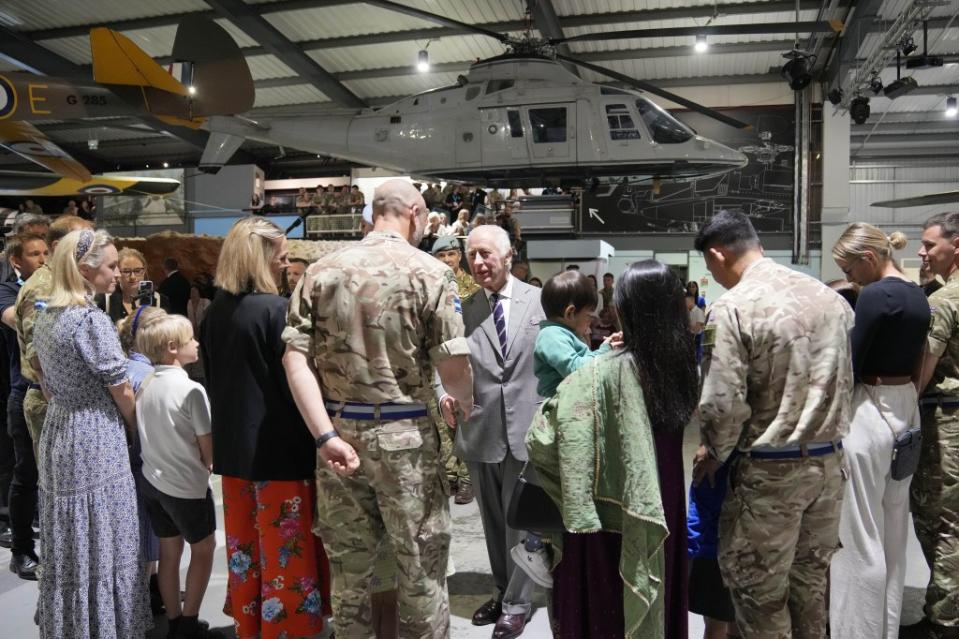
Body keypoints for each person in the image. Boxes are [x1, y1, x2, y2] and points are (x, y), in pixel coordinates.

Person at [283, 179, 473, 638]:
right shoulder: (431, 272)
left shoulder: (320, 271)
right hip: (408, 440)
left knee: (350, 577)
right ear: (416, 212)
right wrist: (462, 406)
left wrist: (325, 435)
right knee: (421, 571)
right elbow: (453, 366)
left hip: (339, 441)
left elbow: (295, 358)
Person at [692, 211, 854, 637]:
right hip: (829, 469)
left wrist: (713, 451)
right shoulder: (828, 298)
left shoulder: (733, 308)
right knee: (810, 590)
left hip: (769, 475)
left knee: (759, 595)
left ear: (717, 254)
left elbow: (722, 403)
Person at [526, 260, 699, 639]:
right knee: (659, 578)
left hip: (609, 507)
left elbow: (544, 437)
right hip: (663, 497)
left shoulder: (603, 372)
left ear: (631, 310)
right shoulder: (681, 365)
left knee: (607, 602)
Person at [200, 217, 330, 639]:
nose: (285, 265)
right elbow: (296, 384)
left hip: (235, 456)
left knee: (244, 552)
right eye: (281, 257)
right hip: (280, 453)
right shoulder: (277, 312)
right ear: (260, 258)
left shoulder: (214, 311)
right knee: (286, 556)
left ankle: (249, 627)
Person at [33, 229, 151, 638]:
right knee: (104, 530)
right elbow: (120, 387)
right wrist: (136, 427)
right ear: (85, 270)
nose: (119, 274)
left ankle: (74, 625)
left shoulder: (45, 314)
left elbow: (44, 380)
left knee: (71, 532)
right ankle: (104, 627)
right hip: (94, 435)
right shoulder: (89, 319)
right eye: (113, 266)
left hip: (60, 431)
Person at [438, 224, 545, 638]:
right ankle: (503, 592)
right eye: (472, 256)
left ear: (508, 255)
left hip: (528, 429)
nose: (479, 263)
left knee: (522, 522)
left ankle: (518, 604)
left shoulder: (540, 302)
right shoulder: (463, 309)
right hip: (480, 429)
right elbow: (444, 362)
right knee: (494, 522)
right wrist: (446, 394)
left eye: (486, 254)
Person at [829, 223, 929, 639]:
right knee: (893, 533)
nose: (850, 279)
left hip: (870, 412)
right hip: (907, 408)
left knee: (859, 536)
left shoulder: (874, 295)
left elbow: (850, 364)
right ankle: (885, 629)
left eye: (850, 269)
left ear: (868, 259)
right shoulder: (918, 294)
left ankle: (857, 632)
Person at [136, 313, 218, 639]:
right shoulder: (191, 390)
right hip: (186, 486)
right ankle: (189, 622)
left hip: (153, 482)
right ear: (173, 347)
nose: (196, 343)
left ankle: (174, 622)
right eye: (191, 339)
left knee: (169, 552)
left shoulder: (145, 385)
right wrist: (210, 464)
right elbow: (207, 446)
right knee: (204, 547)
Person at [914, 211, 959, 637]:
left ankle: (944, 620)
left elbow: (923, 368)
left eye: (930, 245)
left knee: (939, 520)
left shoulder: (943, 302)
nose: (923, 252)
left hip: (947, 421)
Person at [14, 216, 92, 457]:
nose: (92, 246)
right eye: (84, 239)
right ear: (59, 247)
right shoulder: (44, 286)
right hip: (51, 401)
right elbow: (37, 353)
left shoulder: (62, 281)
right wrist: (59, 403)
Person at [0, 233, 48, 580]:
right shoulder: (8, 292)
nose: (43, 259)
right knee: (26, 474)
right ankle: (21, 549)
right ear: (17, 261)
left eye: (47, 252)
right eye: (35, 254)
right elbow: (23, 322)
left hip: (54, 395)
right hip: (25, 391)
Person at [116, 305, 166, 616]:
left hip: (125, 463)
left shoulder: (123, 368)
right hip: (145, 465)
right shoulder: (148, 375)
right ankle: (147, 597)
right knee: (149, 532)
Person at [431, 234, 479, 505]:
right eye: (441, 256)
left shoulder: (473, 287)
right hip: (440, 357)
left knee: (465, 419)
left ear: (459, 256)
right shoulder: (433, 283)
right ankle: (450, 474)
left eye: (451, 254)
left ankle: (467, 479)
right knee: (444, 419)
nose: (447, 260)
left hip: (467, 357)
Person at [97, 246, 167, 321]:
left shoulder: (160, 300)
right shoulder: (105, 300)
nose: (133, 277)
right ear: (117, 271)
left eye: (137, 271)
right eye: (126, 271)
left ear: (144, 270)